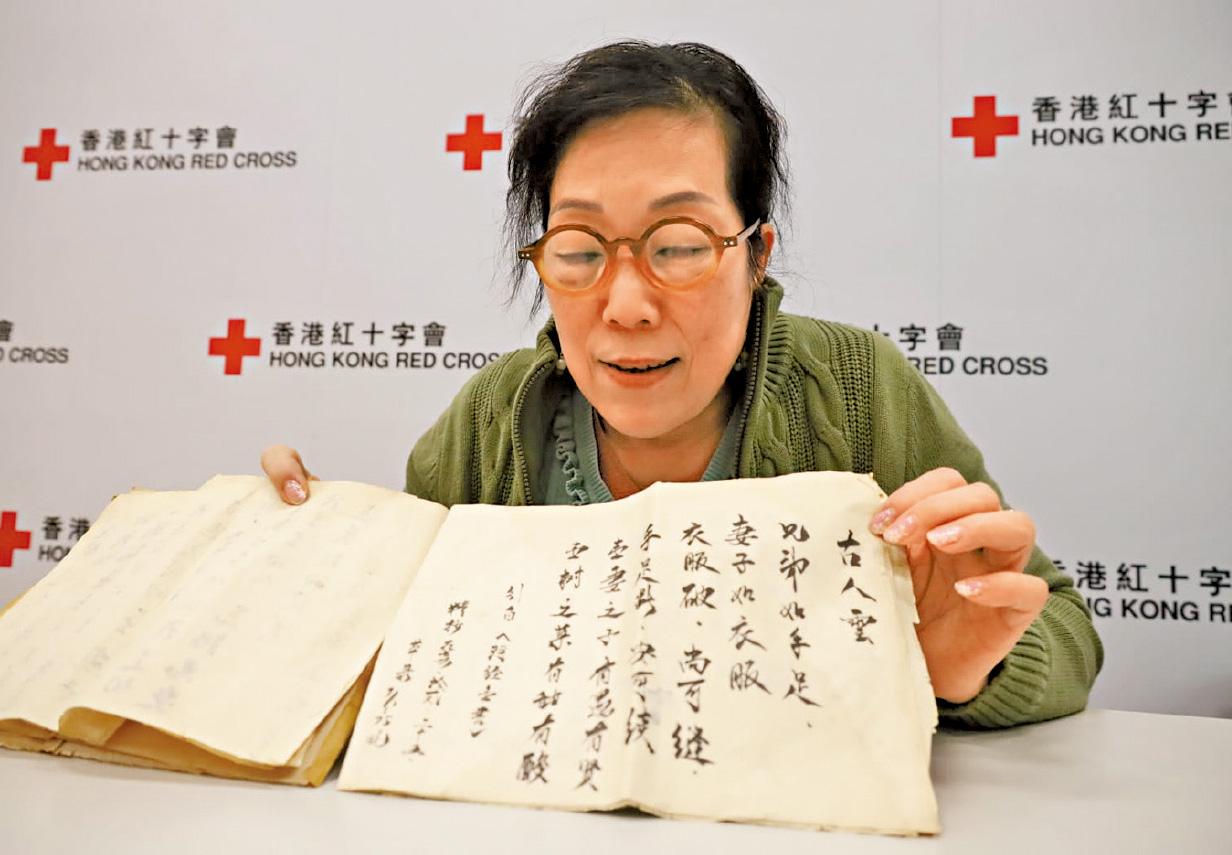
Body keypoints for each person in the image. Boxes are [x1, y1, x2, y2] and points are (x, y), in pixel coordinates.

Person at [260, 41, 1103, 729]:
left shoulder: (857, 391)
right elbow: (414, 660)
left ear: (756, 254)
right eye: (580, 250)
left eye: (679, 247)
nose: (625, 305)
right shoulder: (490, 423)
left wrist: (961, 670)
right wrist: (307, 570)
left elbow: (1062, 630)